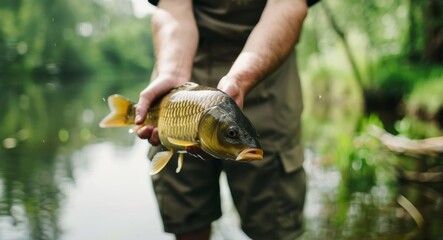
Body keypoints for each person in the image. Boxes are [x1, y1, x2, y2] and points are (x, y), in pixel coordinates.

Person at [134, 0, 318, 239]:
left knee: (273, 225)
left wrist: (240, 79)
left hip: (265, 80)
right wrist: (172, 72)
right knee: (188, 222)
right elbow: (174, 7)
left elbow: (288, 5)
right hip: (181, 88)